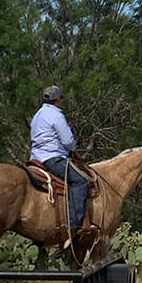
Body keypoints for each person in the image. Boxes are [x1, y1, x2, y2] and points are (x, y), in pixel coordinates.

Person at [29, 86, 93, 234]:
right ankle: (74, 224)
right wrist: (73, 148)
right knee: (80, 181)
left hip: (36, 159)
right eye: (61, 100)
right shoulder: (56, 115)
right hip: (53, 158)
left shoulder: (37, 115)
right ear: (57, 101)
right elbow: (67, 140)